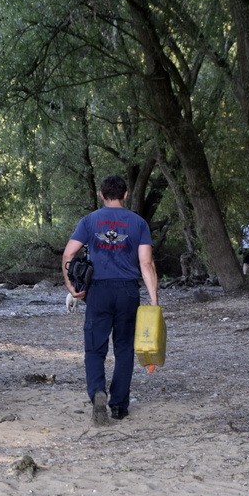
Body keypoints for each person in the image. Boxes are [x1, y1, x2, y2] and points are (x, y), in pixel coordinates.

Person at [62, 175, 159, 426]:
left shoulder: (89, 221)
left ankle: (97, 393)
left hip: (98, 292)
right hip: (128, 291)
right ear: (125, 194)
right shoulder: (138, 223)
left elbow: (69, 254)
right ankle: (118, 406)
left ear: (101, 195)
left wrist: (71, 285)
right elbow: (146, 264)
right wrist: (154, 301)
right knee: (124, 348)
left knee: (95, 348)